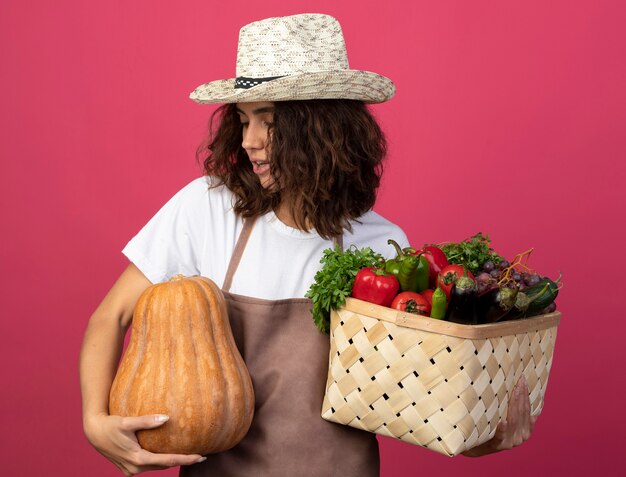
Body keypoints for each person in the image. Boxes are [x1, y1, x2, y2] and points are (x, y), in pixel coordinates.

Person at [79, 13, 537, 477]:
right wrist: (96, 422)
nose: (250, 141)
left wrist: (481, 437)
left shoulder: (383, 244)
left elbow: (408, 397)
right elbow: (112, 316)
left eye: (269, 122)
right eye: (243, 121)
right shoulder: (207, 208)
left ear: (323, 130)